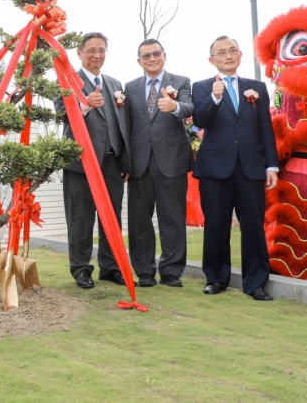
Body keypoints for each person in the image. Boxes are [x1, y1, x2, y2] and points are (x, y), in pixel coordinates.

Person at [192, 36, 278, 301]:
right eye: (221, 52)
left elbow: (266, 128)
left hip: (251, 167)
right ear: (212, 60)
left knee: (253, 225)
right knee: (216, 226)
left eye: (232, 51)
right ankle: (216, 278)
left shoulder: (257, 88)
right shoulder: (202, 86)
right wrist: (215, 98)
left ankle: (255, 283)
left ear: (240, 54)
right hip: (214, 168)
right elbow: (200, 120)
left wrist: (271, 165)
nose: (228, 56)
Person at [54, 32, 131, 288]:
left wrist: (125, 161)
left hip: (112, 162)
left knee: (111, 217)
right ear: (79, 53)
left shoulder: (115, 83)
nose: (97, 55)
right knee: (80, 218)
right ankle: (80, 269)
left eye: (101, 50)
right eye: (91, 50)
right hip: (81, 162)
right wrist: (84, 105)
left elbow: (122, 125)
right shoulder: (67, 80)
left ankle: (109, 267)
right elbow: (61, 113)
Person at [124, 39, 194, 288]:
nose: (151, 58)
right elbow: (126, 126)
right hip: (139, 163)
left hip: (171, 161)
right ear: (139, 61)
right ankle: (144, 271)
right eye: (146, 56)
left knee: (172, 218)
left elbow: (188, 106)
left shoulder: (181, 81)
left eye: (156, 54)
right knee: (139, 220)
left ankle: (171, 271)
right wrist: (125, 161)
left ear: (164, 55)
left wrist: (174, 106)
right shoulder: (129, 87)